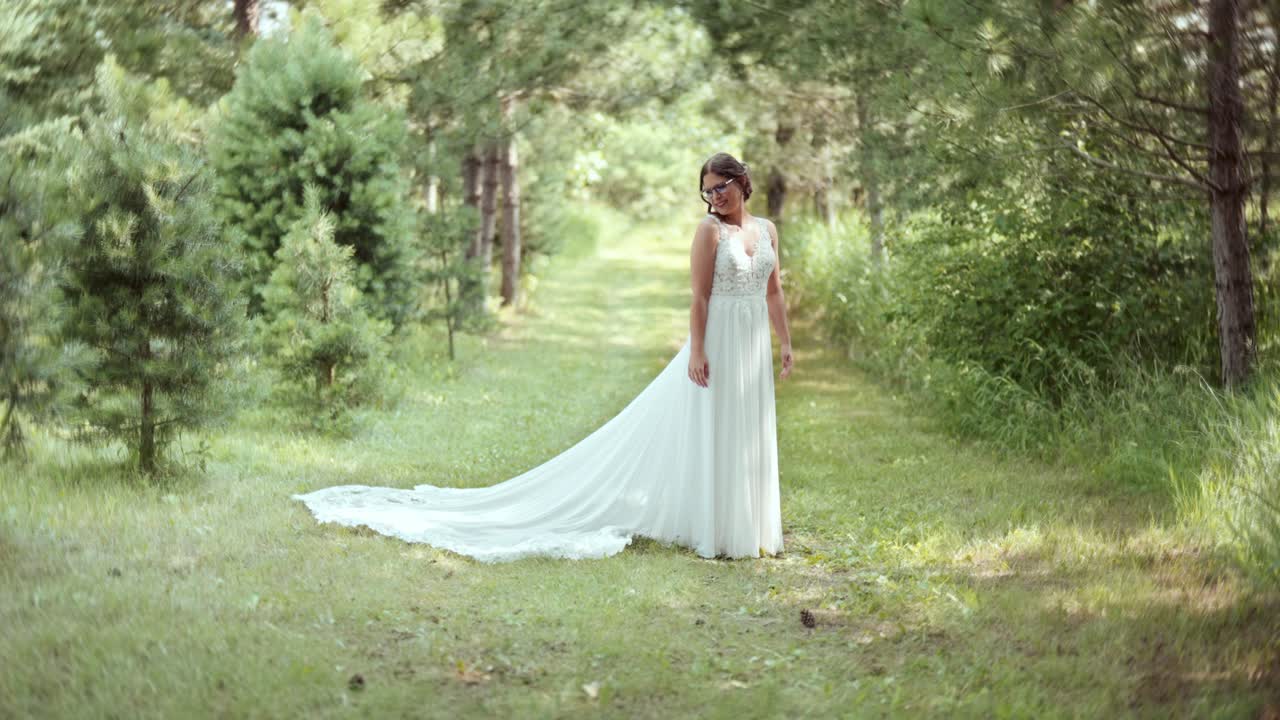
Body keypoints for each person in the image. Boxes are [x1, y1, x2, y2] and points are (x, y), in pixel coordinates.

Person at [292, 152, 794, 562]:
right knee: (715, 427)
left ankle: (749, 527)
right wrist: (698, 349)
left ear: (741, 181)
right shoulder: (709, 233)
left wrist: (786, 343)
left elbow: (773, 293)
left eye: (721, 185)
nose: (715, 196)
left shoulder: (767, 230)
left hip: (752, 344)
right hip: (718, 338)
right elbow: (700, 297)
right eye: (707, 190)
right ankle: (719, 530)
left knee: (746, 427)